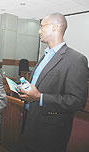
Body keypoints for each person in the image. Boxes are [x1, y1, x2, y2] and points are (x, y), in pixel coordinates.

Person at [17, 13, 88, 152]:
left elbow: (77, 101)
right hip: (29, 121)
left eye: (42, 26)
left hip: (49, 130)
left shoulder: (76, 59)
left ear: (54, 27)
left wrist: (40, 97)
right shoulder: (44, 56)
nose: (39, 31)